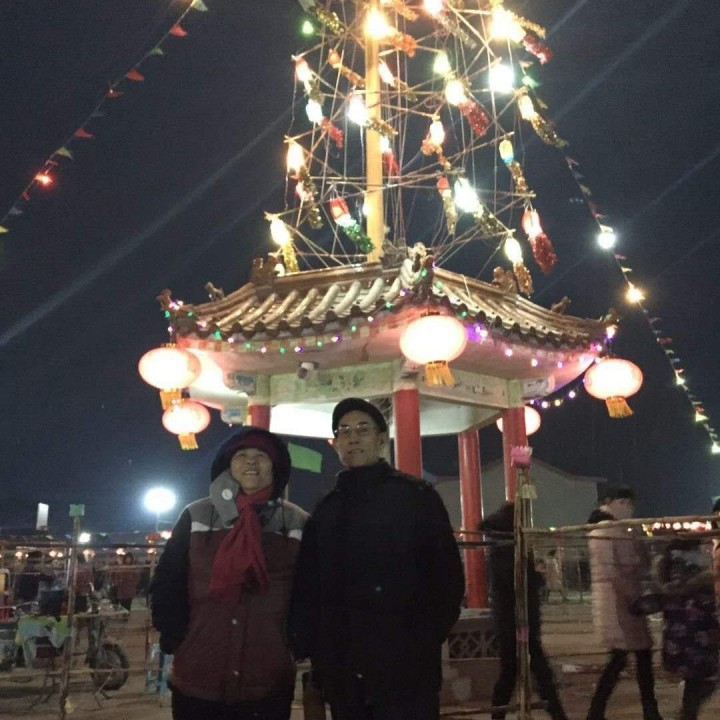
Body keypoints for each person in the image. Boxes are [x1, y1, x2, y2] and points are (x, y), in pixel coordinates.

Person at [288, 397, 465, 720]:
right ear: (335, 444)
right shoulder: (327, 510)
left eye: (362, 429)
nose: (352, 438)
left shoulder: (416, 498)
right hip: (343, 668)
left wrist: (424, 639)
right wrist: (316, 648)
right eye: (344, 431)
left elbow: (447, 577)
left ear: (382, 439)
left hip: (406, 667)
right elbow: (310, 585)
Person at [150, 427, 308, 720]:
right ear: (228, 465)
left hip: (267, 675)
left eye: (261, 456)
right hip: (198, 669)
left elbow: (308, 589)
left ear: (275, 466)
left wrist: (296, 643)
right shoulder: (196, 515)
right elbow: (168, 581)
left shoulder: (297, 522)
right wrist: (175, 636)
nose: (251, 461)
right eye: (242, 455)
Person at [481, 502, 568, 720]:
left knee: (518, 672)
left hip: (514, 620)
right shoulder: (509, 548)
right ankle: (557, 714)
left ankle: (554, 713)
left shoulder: (500, 546)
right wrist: (537, 577)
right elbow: (517, 581)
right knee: (531, 671)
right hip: (517, 621)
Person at [585, 486, 663, 720]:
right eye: (623, 502)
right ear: (609, 502)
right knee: (624, 658)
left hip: (624, 602)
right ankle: (600, 712)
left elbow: (637, 562)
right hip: (619, 603)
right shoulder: (605, 530)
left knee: (629, 657)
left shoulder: (617, 528)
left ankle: (601, 712)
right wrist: (634, 597)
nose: (628, 508)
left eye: (630, 503)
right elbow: (614, 570)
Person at [657, 539, 718, 720]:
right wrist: (702, 581)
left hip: (689, 632)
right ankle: (687, 715)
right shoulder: (685, 566)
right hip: (693, 632)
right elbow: (680, 591)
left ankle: (687, 714)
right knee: (700, 679)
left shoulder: (678, 565)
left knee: (698, 679)